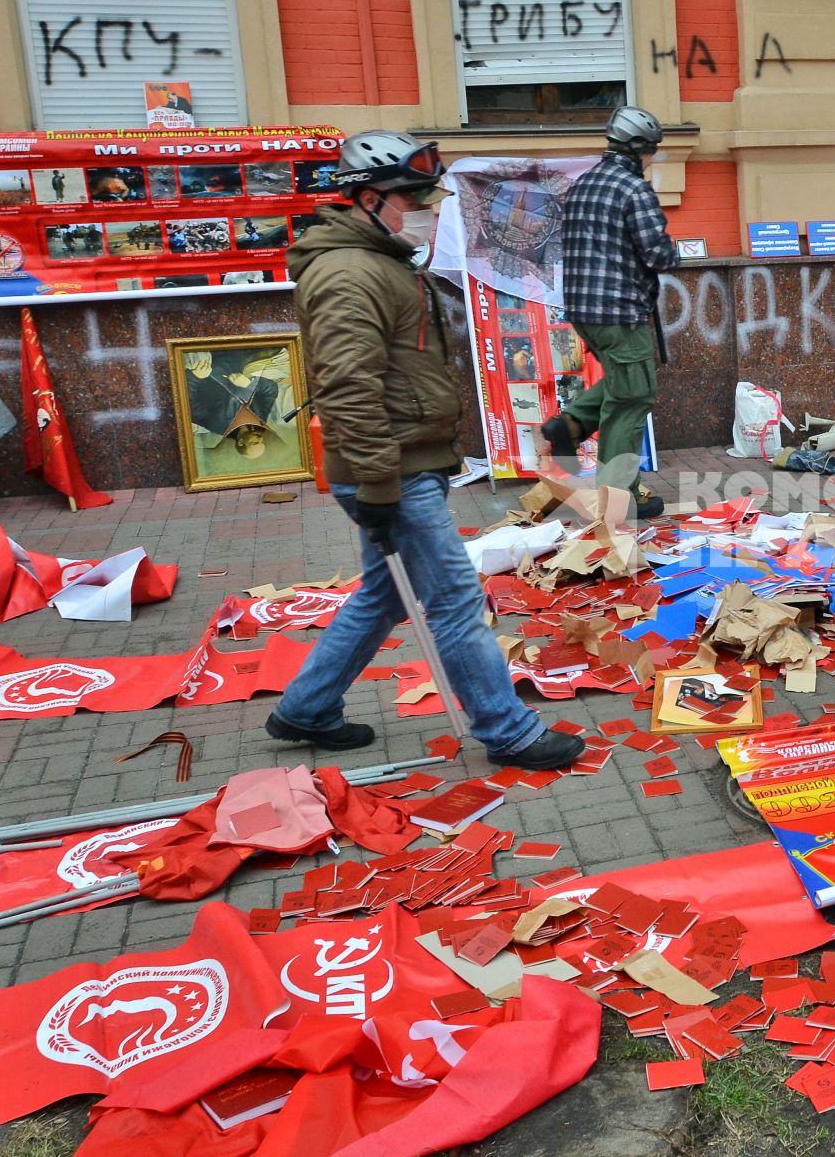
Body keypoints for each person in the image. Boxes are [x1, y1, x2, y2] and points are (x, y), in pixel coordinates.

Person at [265, 130, 582, 769]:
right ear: (367, 199)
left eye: (427, 196)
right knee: (455, 601)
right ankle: (508, 731)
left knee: (383, 594)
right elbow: (348, 387)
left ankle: (306, 708)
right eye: (412, 197)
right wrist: (380, 488)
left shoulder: (380, 261)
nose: (426, 208)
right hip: (393, 472)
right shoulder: (347, 273)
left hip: (403, 464)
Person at [541, 107, 678, 518]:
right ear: (639, 149)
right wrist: (675, 253)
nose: (652, 159)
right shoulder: (634, 189)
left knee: (625, 381)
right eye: (651, 152)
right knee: (633, 398)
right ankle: (617, 497)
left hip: (583, 309)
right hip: (620, 310)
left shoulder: (583, 185)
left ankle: (570, 426)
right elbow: (657, 253)